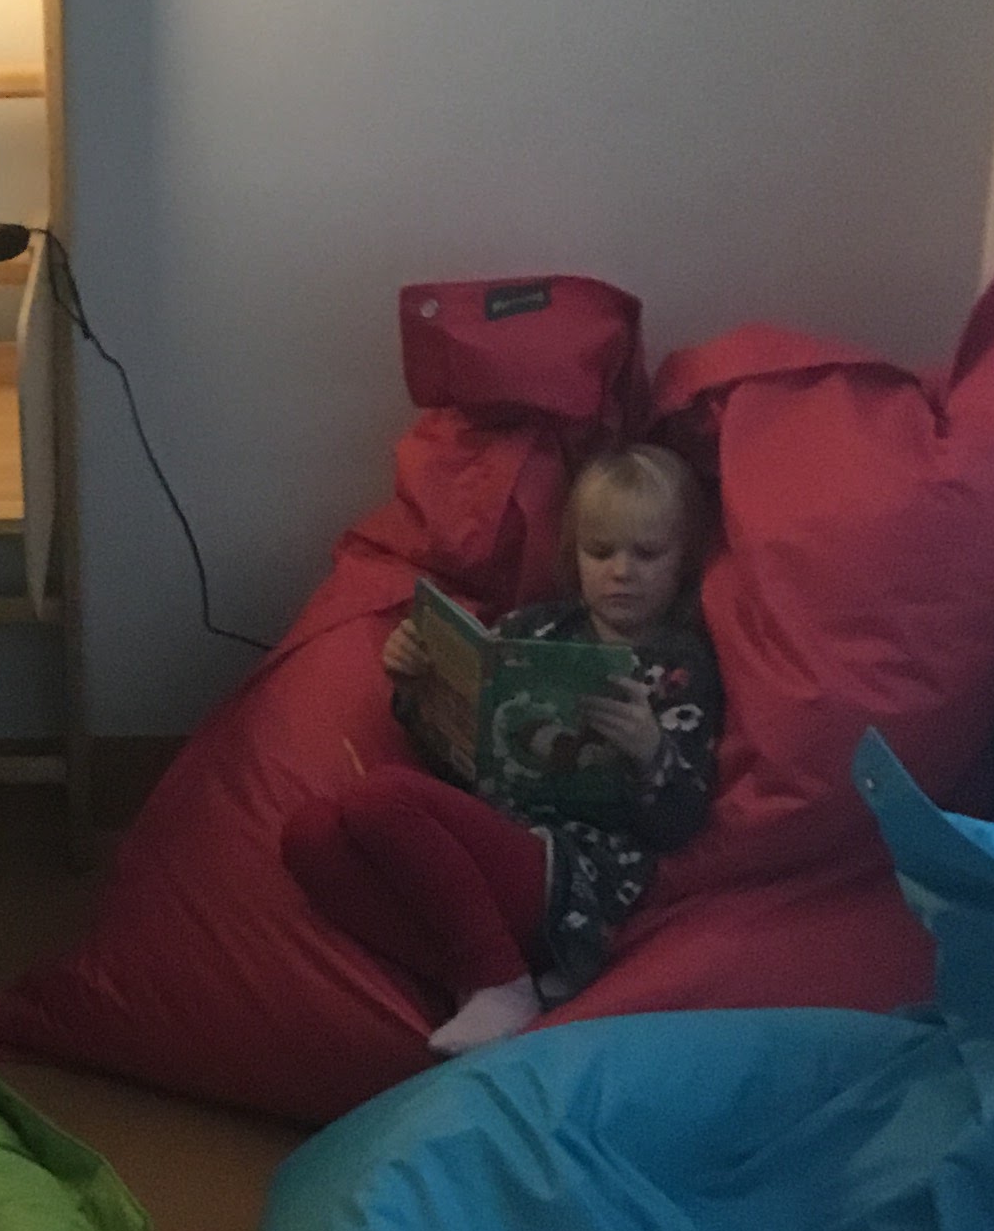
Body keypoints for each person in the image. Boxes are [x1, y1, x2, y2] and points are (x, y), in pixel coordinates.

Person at [282, 449, 721, 1056]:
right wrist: (419, 688)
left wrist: (650, 750)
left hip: (574, 875)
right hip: (488, 841)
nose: (622, 571)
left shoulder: (680, 668)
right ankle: (496, 977)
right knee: (308, 836)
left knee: (380, 796)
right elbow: (464, 761)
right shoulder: (530, 630)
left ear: (684, 561)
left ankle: (498, 981)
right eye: (600, 552)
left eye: (647, 554)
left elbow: (681, 824)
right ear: (573, 554)